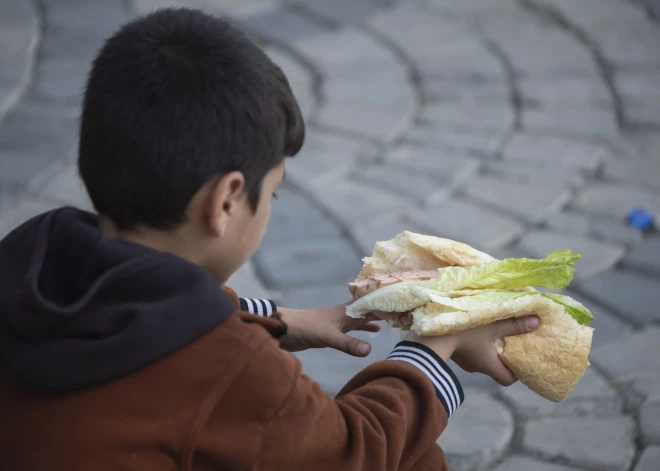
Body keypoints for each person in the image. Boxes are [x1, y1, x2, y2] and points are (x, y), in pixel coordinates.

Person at [0, 8, 539, 470]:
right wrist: (437, 345)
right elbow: (356, 450)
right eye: (273, 194)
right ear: (227, 201)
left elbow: (139, 312)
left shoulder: (32, 258)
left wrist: (279, 321)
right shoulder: (229, 366)